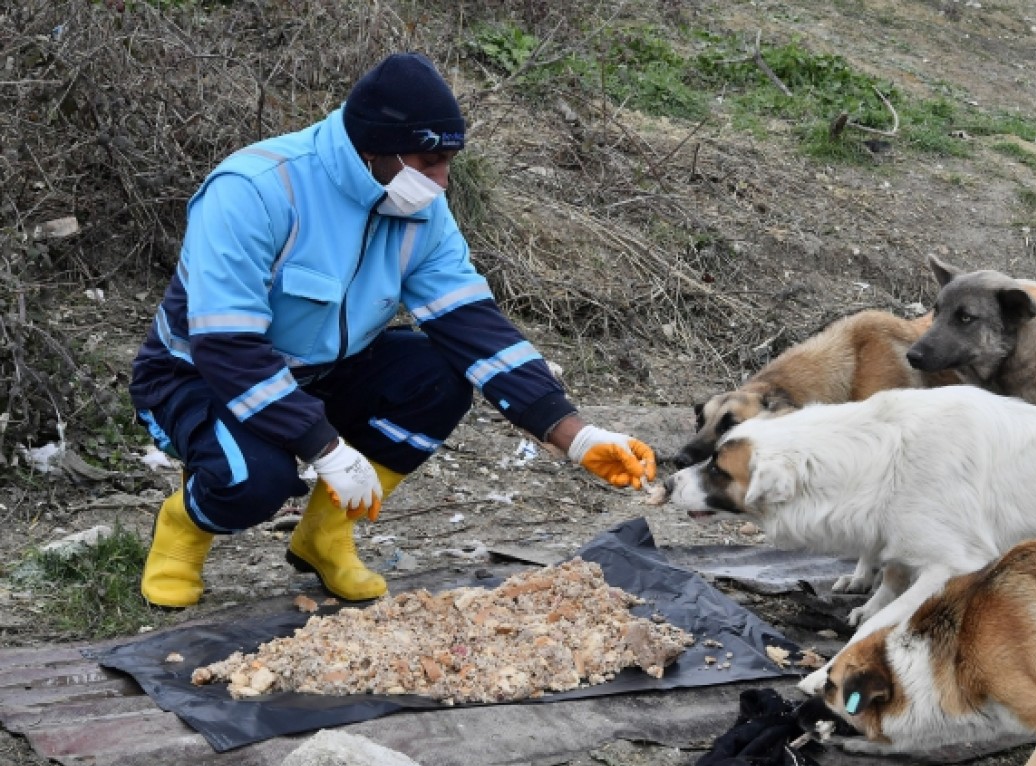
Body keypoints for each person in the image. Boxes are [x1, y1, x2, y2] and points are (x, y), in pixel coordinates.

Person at [129, 52, 657, 608]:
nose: (442, 180)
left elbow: (473, 325)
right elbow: (227, 346)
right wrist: (324, 446)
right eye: (429, 162)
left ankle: (324, 536)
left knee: (438, 375)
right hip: (200, 375)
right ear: (371, 149)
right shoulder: (255, 189)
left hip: (324, 371)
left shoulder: (423, 212)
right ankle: (184, 528)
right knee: (255, 483)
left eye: (449, 160)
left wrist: (573, 434)